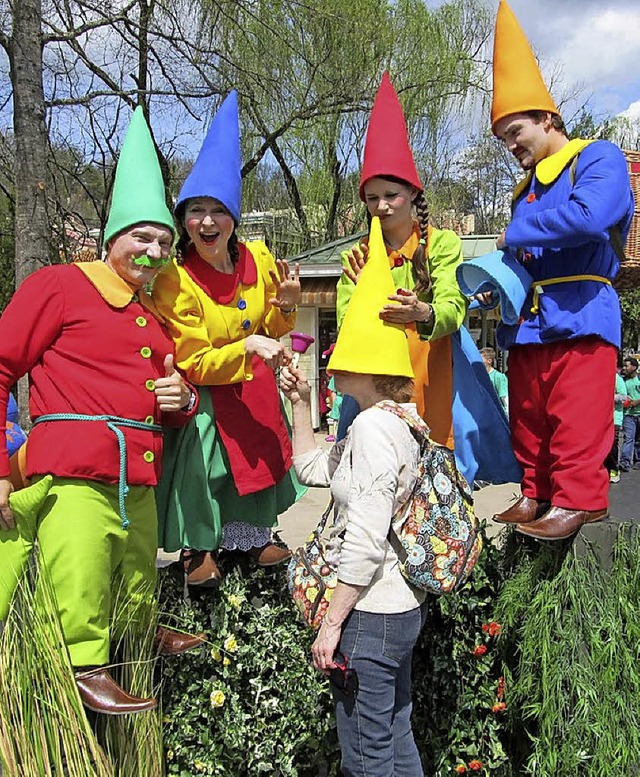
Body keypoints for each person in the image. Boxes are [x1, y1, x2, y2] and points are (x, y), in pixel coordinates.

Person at [0, 107, 205, 716]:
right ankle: (84, 665)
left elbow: (172, 398)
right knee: (81, 565)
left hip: (136, 482)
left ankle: (139, 635)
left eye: (164, 242)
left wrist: (182, 402)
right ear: (111, 237)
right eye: (143, 236)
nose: (154, 250)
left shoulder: (156, 319)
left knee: (138, 571)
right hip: (73, 475)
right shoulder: (61, 286)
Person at [282, 216, 426, 776]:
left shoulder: (371, 430)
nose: (333, 355)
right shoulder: (395, 420)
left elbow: (364, 540)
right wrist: (300, 403)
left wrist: (332, 622)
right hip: (400, 609)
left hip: (369, 613)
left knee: (366, 756)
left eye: (342, 349)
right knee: (396, 735)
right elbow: (315, 467)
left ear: (367, 362)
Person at [490, 1, 635, 540]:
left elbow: (590, 214)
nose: (511, 147)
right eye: (503, 138)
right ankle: (537, 492)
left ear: (548, 119)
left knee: (577, 411)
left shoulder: (596, 158)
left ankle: (579, 499)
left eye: (516, 131)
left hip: (581, 311)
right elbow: (520, 258)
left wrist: (515, 235)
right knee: (529, 414)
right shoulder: (522, 191)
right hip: (529, 322)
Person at [336, 72, 519, 489]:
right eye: (371, 197)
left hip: (436, 378)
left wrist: (423, 312)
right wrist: (366, 295)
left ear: (412, 196)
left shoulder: (442, 244)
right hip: (377, 383)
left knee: (438, 483)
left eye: (391, 195)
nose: (381, 206)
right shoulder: (360, 256)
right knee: (377, 480)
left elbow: (454, 309)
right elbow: (348, 318)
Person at [152, 91, 305, 587]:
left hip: (255, 395)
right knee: (206, 467)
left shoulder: (259, 258)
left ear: (234, 216)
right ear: (183, 222)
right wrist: (247, 348)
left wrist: (285, 305)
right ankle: (198, 548)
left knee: (258, 461)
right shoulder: (176, 280)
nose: (207, 221)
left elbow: (275, 331)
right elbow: (193, 359)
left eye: (217, 209)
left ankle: (254, 535)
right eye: (195, 211)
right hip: (209, 401)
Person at [606, 364, 627, 483]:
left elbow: (624, 397)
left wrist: (608, 397)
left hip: (615, 418)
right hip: (602, 417)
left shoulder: (617, 378)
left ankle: (614, 469)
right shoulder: (601, 378)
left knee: (612, 444)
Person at [620, 356, 640, 472]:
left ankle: (637, 461)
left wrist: (637, 402)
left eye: (626, 366)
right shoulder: (623, 381)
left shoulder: (639, 380)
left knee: (638, 439)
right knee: (629, 438)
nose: (624, 368)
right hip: (628, 415)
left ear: (634, 367)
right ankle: (625, 462)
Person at [480, 347, 508, 415]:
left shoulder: (498, 377)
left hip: (497, 415)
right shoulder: (479, 377)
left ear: (489, 361)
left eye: (480, 359)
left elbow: (504, 398)